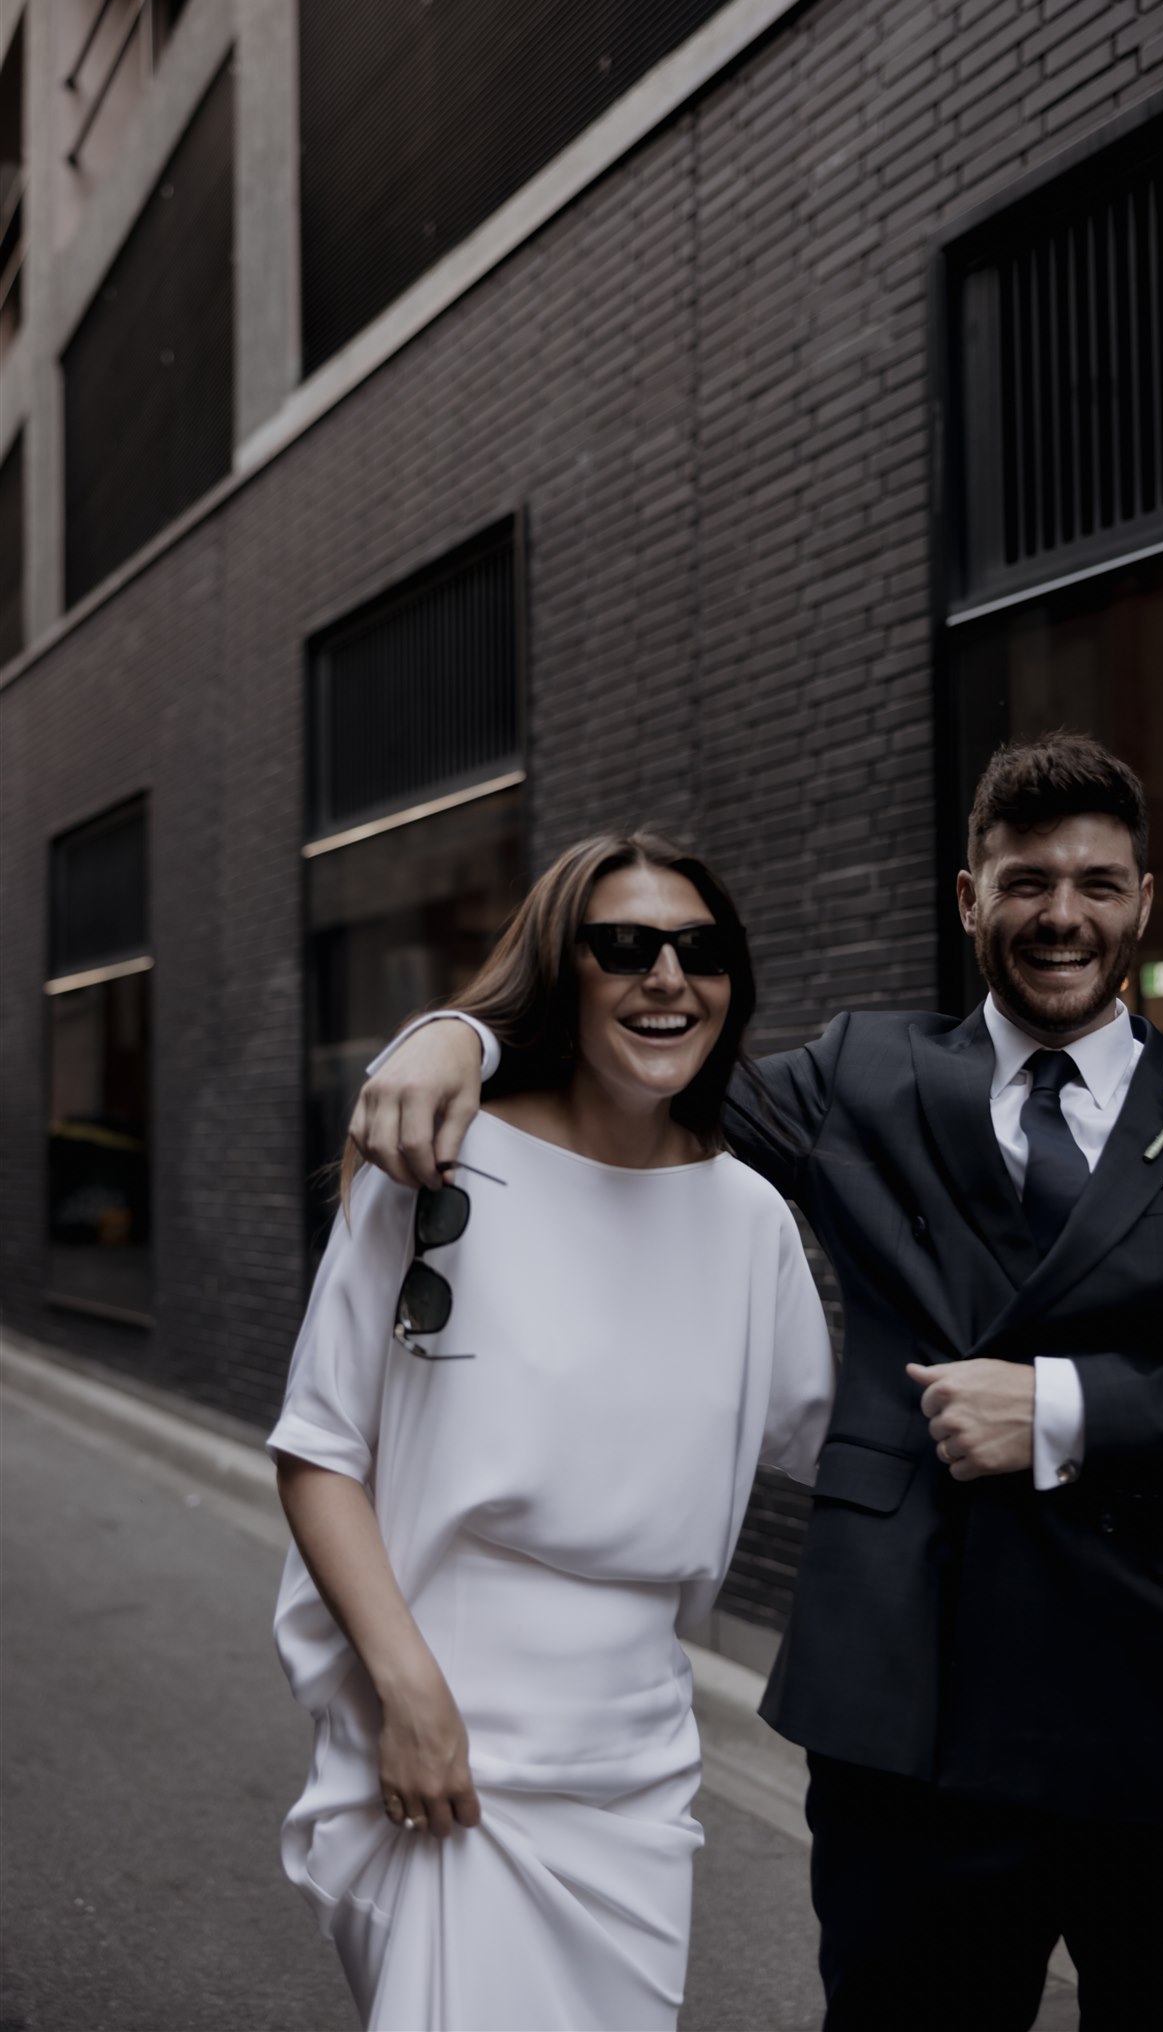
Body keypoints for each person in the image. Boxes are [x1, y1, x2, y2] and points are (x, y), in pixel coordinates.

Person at [351, 732, 1163, 2032]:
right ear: (967, 897)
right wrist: (454, 1037)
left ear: (1143, 904)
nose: (1062, 916)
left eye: (1098, 885)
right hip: (912, 1718)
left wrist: (1060, 1406)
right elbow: (644, 1064)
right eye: (1025, 881)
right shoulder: (863, 1075)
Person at [269, 831, 834, 2032]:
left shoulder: (750, 1217)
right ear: (560, 969)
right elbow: (319, 1447)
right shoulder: (436, 1162)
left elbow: (830, 1438)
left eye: (702, 950)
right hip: (454, 1723)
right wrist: (408, 1694)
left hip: (636, 1754)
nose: (667, 977)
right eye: (624, 946)